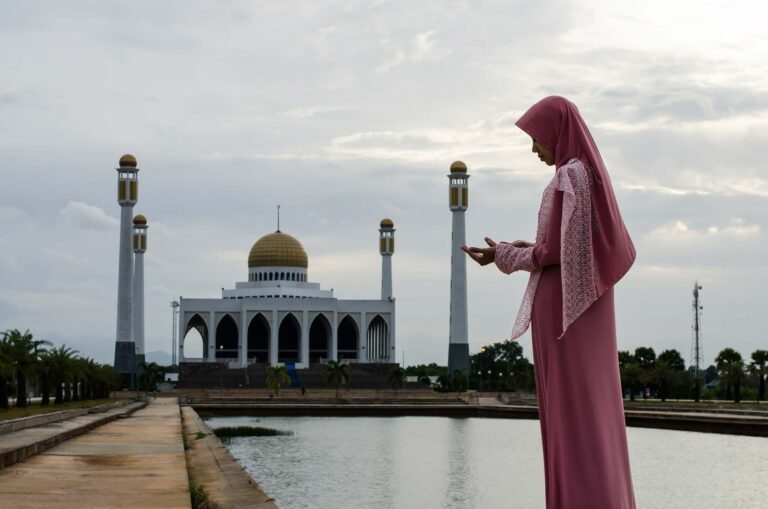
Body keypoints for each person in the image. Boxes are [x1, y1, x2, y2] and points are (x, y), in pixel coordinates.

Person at [462, 96, 637, 509]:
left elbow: (552, 254)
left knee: (570, 415)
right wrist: (525, 247)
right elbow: (567, 246)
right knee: (593, 410)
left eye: (537, 138)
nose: (534, 148)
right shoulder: (588, 176)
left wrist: (504, 256)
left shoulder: (568, 177)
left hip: (563, 314)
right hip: (587, 310)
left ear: (557, 133)